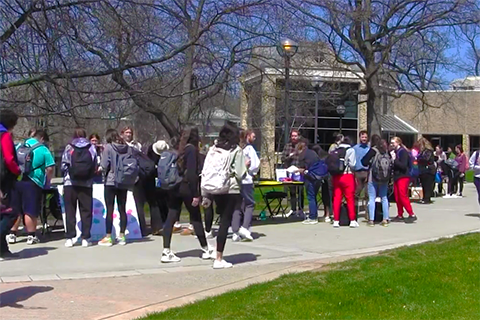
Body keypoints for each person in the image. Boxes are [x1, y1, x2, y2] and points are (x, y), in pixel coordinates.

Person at [160, 127, 214, 263]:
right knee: (195, 217)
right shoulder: (191, 150)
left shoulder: (181, 148)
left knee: (171, 217)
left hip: (175, 187)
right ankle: (205, 248)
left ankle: (166, 250)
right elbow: (191, 174)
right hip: (186, 187)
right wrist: (196, 194)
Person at [202, 121, 247, 269]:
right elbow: (240, 173)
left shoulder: (214, 148)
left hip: (215, 188)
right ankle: (219, 258)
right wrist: (245, 165)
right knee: (224, 223)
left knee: (221, 219)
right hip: (230, 189)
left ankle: (216, 252)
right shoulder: (236, 150)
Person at [10, 129, 55, 245]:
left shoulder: (19, 146)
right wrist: (47, 182)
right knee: (30, 210)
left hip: (16, 180)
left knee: (16, 209)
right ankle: (31, 235)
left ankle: (12, 234)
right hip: (33, 182)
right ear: (42, 139)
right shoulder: (43, 149)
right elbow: (50, 168)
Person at [61, 128, 97, 247]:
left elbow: (63, 165)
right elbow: (94, 164)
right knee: (86, 211)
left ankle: (70, 238)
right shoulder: (91, 147)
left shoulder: (69, 147)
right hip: (86, 184)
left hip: (70, 183)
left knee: (70, 210)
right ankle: (86, 238)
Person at [98, 129, 131, 246]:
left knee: (110, 209)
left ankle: (108, 236)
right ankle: (122, 236)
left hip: (111, 181)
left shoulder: (108, 147)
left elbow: (104, 165)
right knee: (122, 209)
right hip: (123, 181)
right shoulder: (126, 147)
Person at [0, 110, 21, 259]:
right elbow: (8, 158)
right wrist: (17, 171)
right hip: (4, 179)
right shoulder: (4, 135)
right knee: (12, 212)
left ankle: (3, 249)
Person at [232, 129, 260, 240]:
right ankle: (245, 227)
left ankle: (235, 230)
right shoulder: (249, 149)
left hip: (235, 180)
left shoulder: (233, 149)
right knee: (249, 204)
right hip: (246, 179)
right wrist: (251, 171)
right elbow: (255, 164)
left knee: (237, 206)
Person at [361, 135, 390, 227]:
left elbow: (363, 161)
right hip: (385, 178)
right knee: (384, 197)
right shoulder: (386, 152)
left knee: (372, 198)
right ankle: (385, 219)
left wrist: (370, 163)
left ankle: (371, 220)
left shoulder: (373, 150)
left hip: (373, 177)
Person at [330, 136, 357, 228]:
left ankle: (336, 220)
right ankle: (352, 220)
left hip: (336, 176)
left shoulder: (336, 150)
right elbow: (353, 164)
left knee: (337, 198)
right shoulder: (351, 150)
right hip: (347, 175)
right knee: (350, 198)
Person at [391, 137, 417, 223]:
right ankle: (400, 214)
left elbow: (403, 165)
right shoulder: (395, 152)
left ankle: (411, 213)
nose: (392, 145)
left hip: (403, 176)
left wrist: (395, 160)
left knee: (402, 195)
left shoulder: (403, 152)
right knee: (397, 196)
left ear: (398, 143)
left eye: (393, 143)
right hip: (397, 176)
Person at [146, 140, 170, 235]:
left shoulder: (167, 155)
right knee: (155, 203)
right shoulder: (150, 152)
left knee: (164, 201)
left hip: (162, 180)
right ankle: (157, 225)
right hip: (153, 179)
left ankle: (165, 223)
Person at [297, 140, 322, 225]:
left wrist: (297, 170)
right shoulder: (313, 153)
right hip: (318, 176)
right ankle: (314, 215)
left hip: (310, 177)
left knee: (311, 197)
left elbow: (304, 169)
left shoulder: (303, 155)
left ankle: (312, 217)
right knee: (314, 196)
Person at [281, 129, 304, 217]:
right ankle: (293, 209)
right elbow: (283, 158)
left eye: (295, 136)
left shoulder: (302, 146)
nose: (294, 137)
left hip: (299, 170)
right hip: (290, 171)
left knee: (300, 191)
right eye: (292, 136)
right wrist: (289, 156)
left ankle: (301, 210)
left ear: (298, 136)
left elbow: (305, 157)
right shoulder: (288, 146)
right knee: (292, 192)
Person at [311, 145, 332, 222]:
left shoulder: (318, 158)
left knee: (324, 196)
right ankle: (328, 214)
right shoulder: (327, 156)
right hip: (329, 177)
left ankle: (326, 214)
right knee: (328, 196)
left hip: (322, 177)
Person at [353, 131, 370, 210]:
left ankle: (368, 211)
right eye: (362, 137)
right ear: (359, 138)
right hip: (358, 172)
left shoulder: (369, 148)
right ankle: (355, 209)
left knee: (367, 193)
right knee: (357, 192)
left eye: (365, 137)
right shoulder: (355, 148)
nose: (364, 139)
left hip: (367, 172)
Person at [416, 138, 436, 204]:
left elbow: (426, 159)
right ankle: (424, 197)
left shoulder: (428, 151)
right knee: (424, 185)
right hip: (423, 170)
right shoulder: (422, 151)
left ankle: (427, 199)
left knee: (427, 185)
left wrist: (418, 158)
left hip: (429, 170)